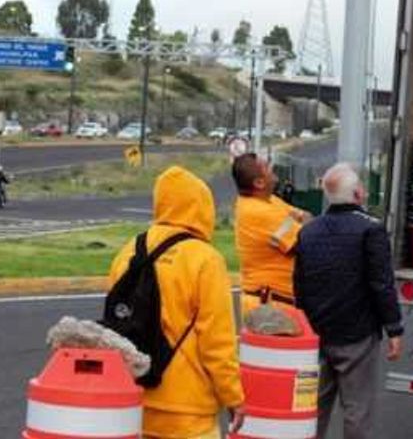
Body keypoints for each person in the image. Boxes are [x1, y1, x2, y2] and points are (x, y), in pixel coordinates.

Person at [108, 166, 244, 439]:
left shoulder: (128, 252)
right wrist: (233, 397)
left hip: (135, 400)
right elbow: (217, 342)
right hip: (188, 409)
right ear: (202, 207)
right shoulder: (205, 259)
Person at [294, 163, 404, 439]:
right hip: (357, 335)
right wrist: (394, 328)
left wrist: (305, 327)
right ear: (358, 194)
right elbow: (381, 284)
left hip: (317, 335)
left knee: (312, 409)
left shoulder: (308, 231)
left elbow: (299, 285)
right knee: (357, 410)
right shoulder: (371, 230)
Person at [232, 153, 311, 314]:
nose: (271, 166)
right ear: (259, 183)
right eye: (266, 166)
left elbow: (307, 217)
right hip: (271, 306)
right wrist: (297, 221)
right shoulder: (259, 212)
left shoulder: (270, 201)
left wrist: (298, 221)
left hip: (277, 303)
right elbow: (307, 240)